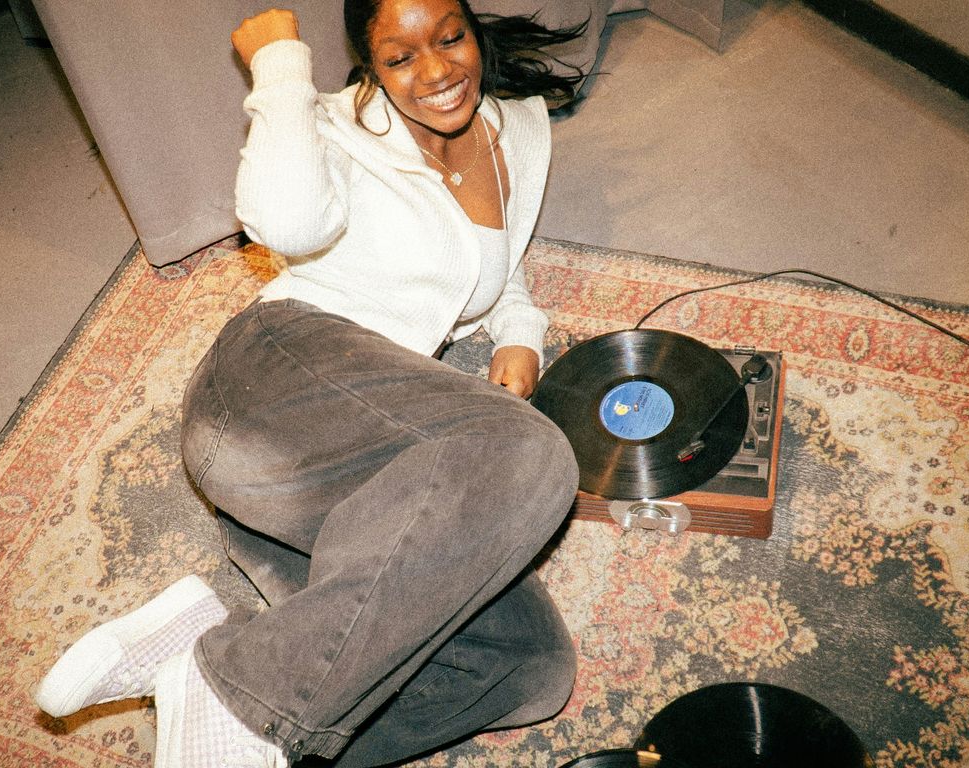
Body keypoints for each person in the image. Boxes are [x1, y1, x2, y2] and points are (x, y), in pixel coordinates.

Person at [36, 1, 587, 765]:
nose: (434, 71)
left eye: (450, 38)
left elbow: (502, 255)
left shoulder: (520, 131)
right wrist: (280, 69)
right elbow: (288, 228)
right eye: (399, 58)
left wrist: (519, 331)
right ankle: (239, 697)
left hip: (351, 488)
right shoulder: (331, 126)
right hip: (273, 386)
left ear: (473, 30)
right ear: (369, 65)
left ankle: (214, 658)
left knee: (528, 669)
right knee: (530, 453)